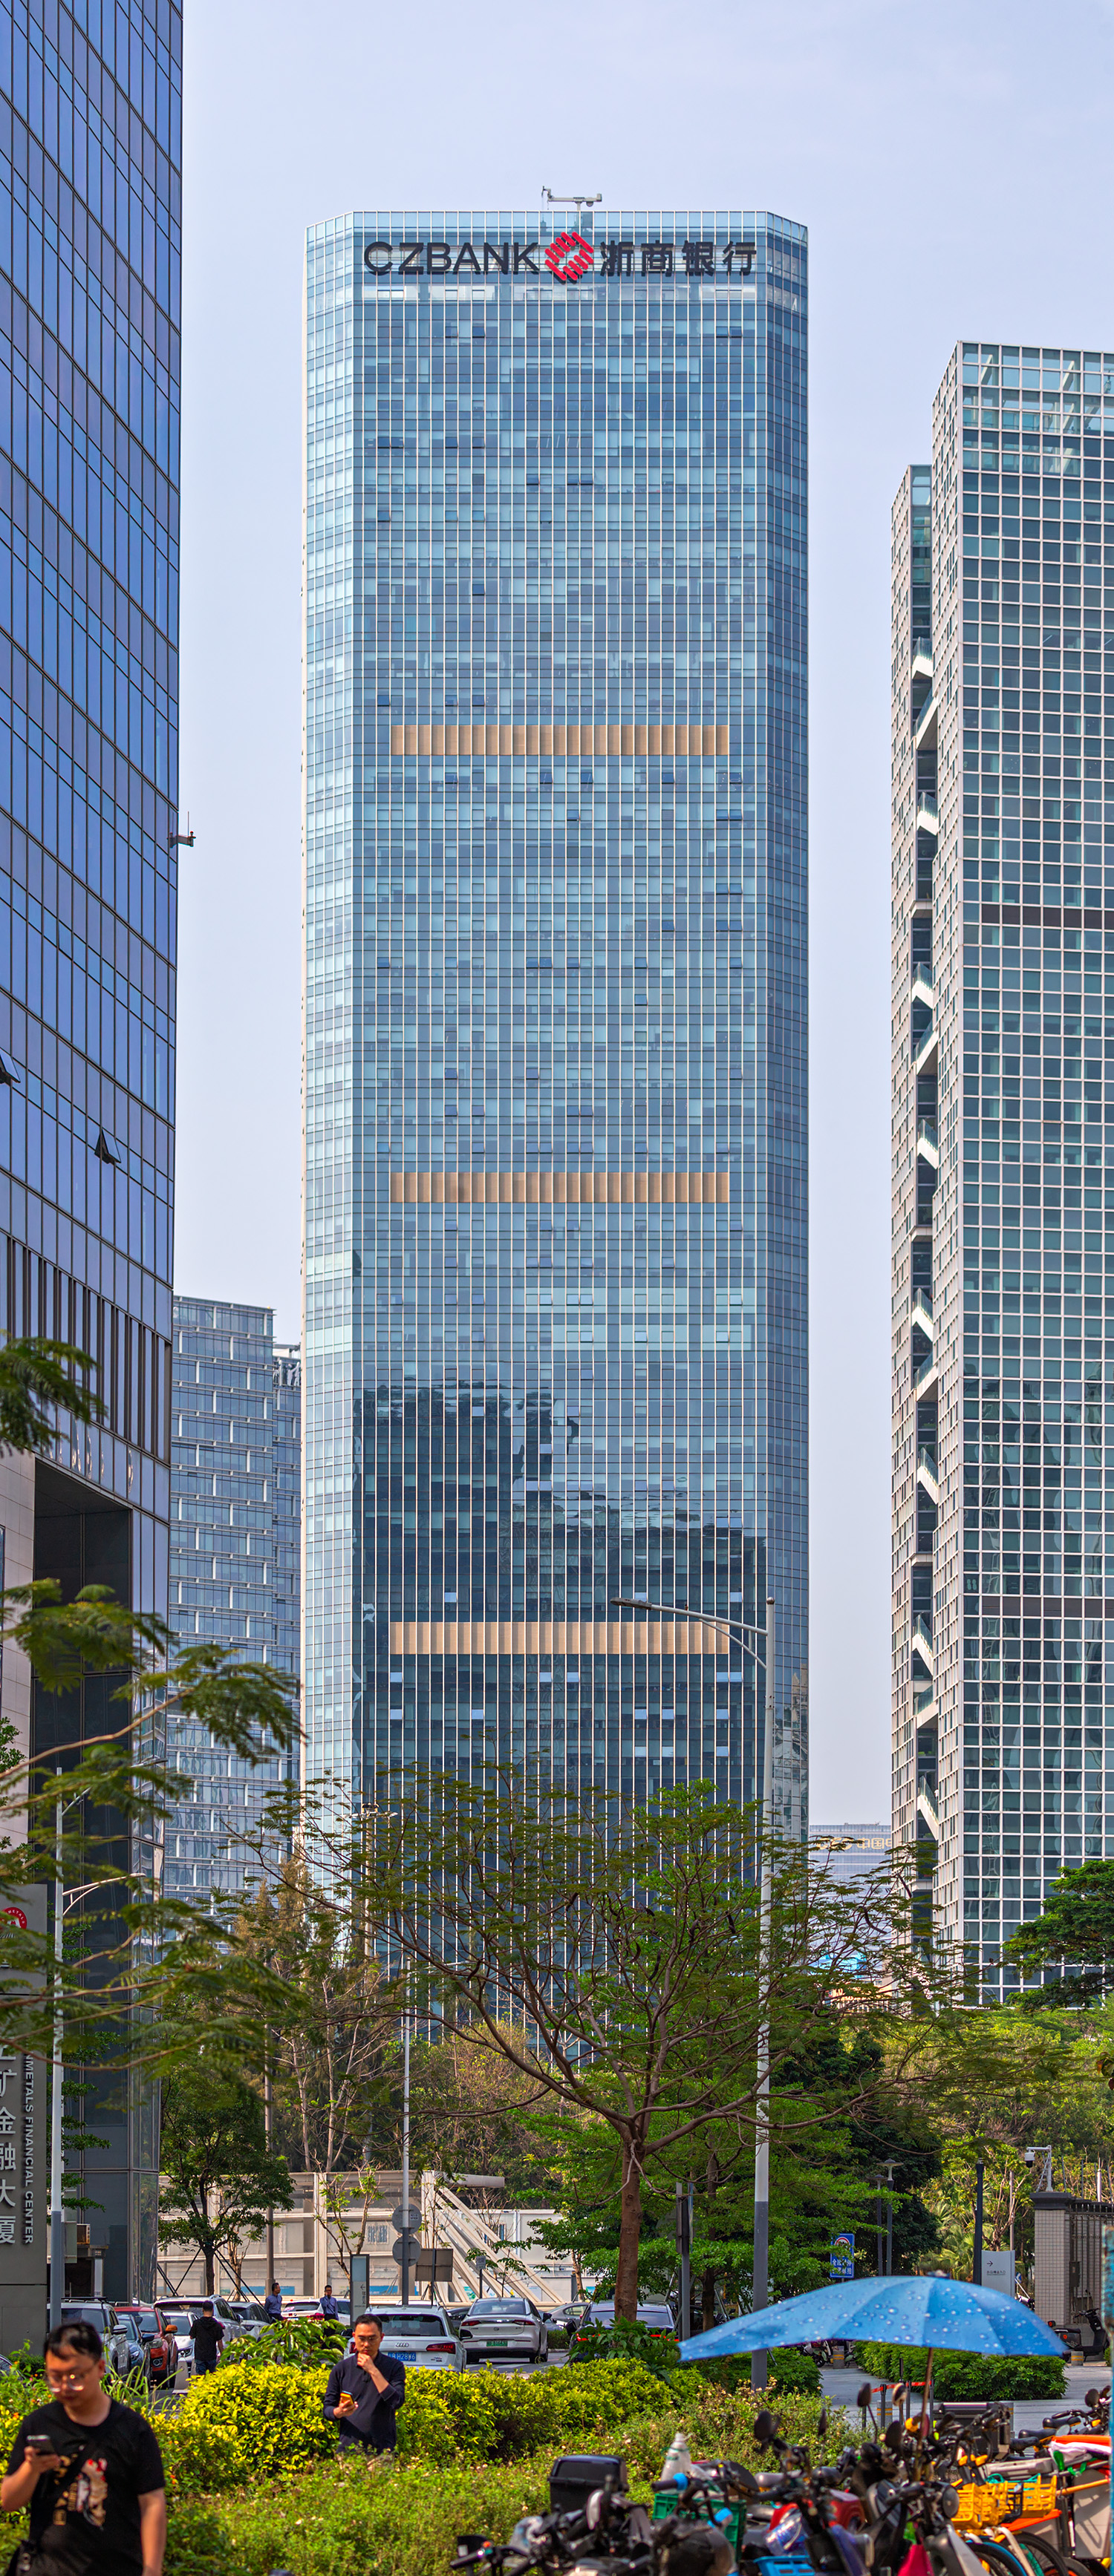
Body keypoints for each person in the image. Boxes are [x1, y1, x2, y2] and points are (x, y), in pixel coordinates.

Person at [0, 2318, 166, 2576]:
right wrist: (31, 2469)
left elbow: (152, 2504)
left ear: (100, 2368)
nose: (66, 2387)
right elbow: (8, 2500)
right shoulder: (38, 2425)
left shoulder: (133, 2430)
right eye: (55, 2378)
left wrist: (152, 2570)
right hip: (47, 2569)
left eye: (76, 2377)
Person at [322, 2312, 405, 2455]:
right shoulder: (341, 2369)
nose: (366, 2344)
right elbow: (327, 2410)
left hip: (382, 2451)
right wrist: (339, 2412)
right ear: (354, 2337)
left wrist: (373, 2371)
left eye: (372, 2339)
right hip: (348, 2451)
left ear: (381, 2338)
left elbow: (396, 2401)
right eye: (362, 2339)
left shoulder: (394, 2367)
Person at [189, 2303, 224, 2375]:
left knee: (201, 2378)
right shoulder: (216, 2325)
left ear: (202, 2310)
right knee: (211, 2378)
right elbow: (220, 2341)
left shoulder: (197, 2323)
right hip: (211, 2356)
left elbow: (191, 2336)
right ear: (212, 2310)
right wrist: (222, 2354)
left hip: (200, 2356)